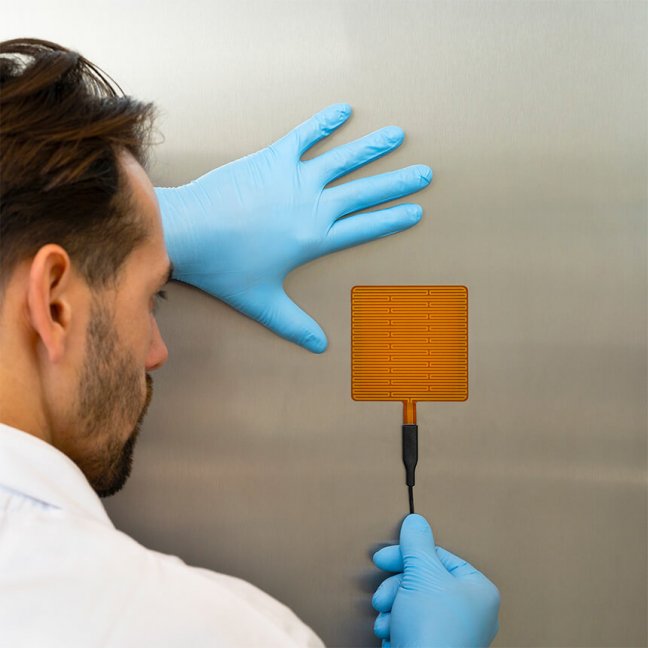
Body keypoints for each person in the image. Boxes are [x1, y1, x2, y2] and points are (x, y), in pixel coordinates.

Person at [0, 38, 500, 647]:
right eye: (155, 297)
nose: (157, 351)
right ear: (54, 303)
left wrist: (142, 232)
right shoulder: (197, 630)